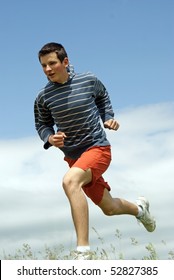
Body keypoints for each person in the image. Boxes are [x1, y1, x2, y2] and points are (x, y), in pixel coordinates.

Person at [34, 42, 156, 260]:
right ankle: (140, 210)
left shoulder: (88, 80)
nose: (48, 69)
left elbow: (102, 97)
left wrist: (107, 117)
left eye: (52, 63)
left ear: (65, 61)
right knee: (109, 208)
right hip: (74, 158)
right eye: (43, 65)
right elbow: (42, 124)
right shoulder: (44, 97)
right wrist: (50, 138)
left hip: (97, 148)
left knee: (70, 182)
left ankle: (83, 252)